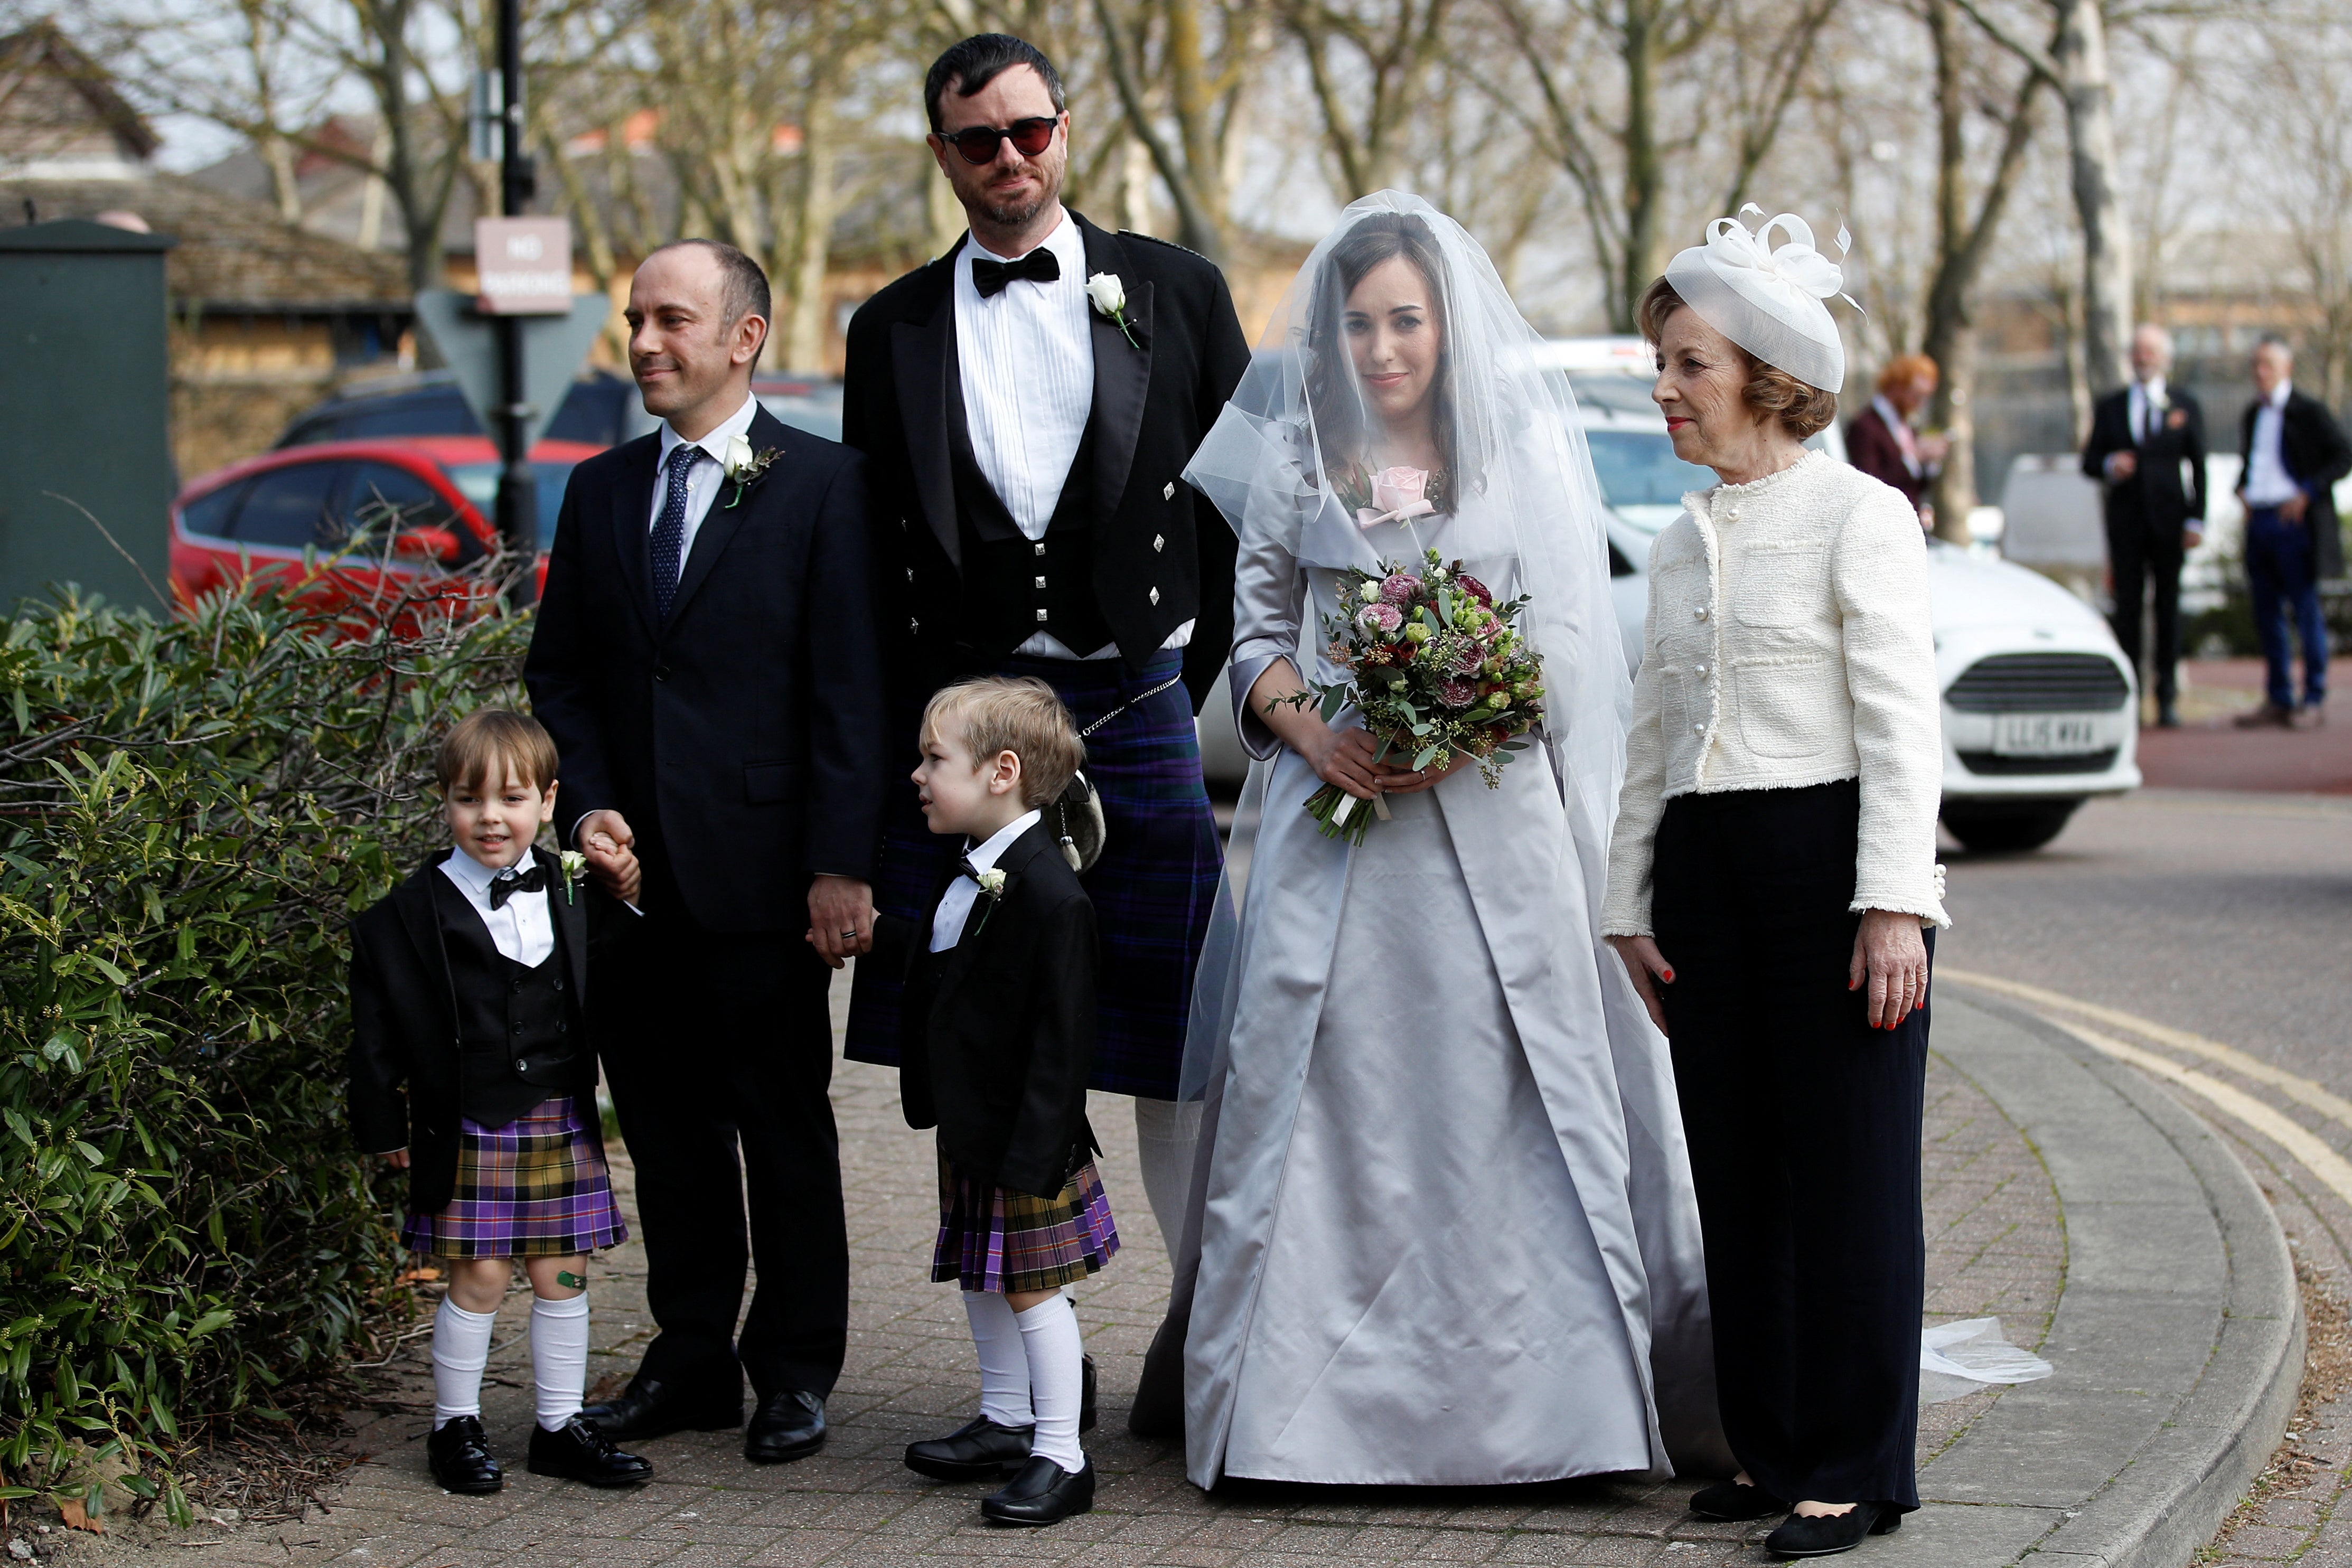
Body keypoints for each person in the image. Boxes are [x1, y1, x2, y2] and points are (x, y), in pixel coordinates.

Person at [1168, 191, 1723, 1490]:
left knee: (1504, 1097)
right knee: (1331, 1102)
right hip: (1342, 830)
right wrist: (1311, 732)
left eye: (1405, 318)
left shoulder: (1517, 455)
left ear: (1445, 325)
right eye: (1357, 322)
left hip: (1493, 826)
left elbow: (1577, 641)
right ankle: (1299, 1420)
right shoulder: (1301, 463)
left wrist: (1483, 708)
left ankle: (1560, 1412)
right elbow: (1250, 638)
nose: (1381, 348)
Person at [840, 34, 1251, 1267]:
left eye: (1031, 130)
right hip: (972, 730)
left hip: (1134, 703)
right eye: (979, 139)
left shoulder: (1177, 291)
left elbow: (1244, 518)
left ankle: (1197, 1346)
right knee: (981, 1033)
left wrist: (1180, 683)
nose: (1009, 157)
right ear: (942, 156)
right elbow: (876, 553)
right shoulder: (890, 326)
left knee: (1180, 1042)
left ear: (1066, 129)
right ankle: (1027, 1379)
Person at [1605, 208, 1950, 1559]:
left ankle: (1859, 1465)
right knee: (1739, 1176)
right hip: (1705, 877)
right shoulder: (1684, 537)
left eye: (1688, 363)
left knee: (1852, 1177)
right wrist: (1627, 905)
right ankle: (1772, 1446)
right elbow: (1652, 730)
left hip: (1833, 867)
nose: (1666, 388)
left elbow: (1901, 725)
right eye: (1665, 363)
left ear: (1761, 372)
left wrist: (1894, 901)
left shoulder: (1862, 513)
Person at [523, 239, 889, 1464]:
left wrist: (842, 863)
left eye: (671, 319)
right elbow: (563, 674)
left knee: (780, 1122)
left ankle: (792, 1367)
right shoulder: (600, 488)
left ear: (744, 338)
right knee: (669, 1131)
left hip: (767, 872)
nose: (642, 342)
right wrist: (591, 811)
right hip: (632, 882)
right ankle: (689, 1360)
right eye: (634, 319)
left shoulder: (826, 485)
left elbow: (851, 690)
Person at [346, 709, 653, 1494]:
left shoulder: (571, 889)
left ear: (548, 803)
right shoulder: (407, 914)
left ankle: (558, 1426)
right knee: (477, 1277)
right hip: (471, 1116)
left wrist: (626, 892)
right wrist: (385, 1123)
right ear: (444, 804)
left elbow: (619, 968)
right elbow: (375, 1031)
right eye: (468, 799)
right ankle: (454, 1425)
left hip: (557, 1110)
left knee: (564, 1275)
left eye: (512, 799)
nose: (491, 817)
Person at [870, 678, 1116, 1527]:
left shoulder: (1051, 896)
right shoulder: (980, 873)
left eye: (935, 759)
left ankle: (1061, 1454)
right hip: (977, 1124)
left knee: (1030, 1290)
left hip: (1026, 1136)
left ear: (1001, 772)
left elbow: (1063, 1041)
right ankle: (1007, 1419)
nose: (918, 774)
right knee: (983, 1277)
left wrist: (1037, 1151)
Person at [2082, 324, 2207, 728]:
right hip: (2127, 526)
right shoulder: (2112, 406)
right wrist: (2109, 465)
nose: (2143, 358)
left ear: (2164, 357)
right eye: (2137, 351)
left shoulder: (2184, 405)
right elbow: (2088, 461)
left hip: (2170, 525)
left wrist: (2196, 518)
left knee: (2169, 610)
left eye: (2150, 351)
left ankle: (2167, 696)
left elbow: (2198, 467)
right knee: (2128, 611)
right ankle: (2130, 698)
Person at [2234, 337, 2349, 729]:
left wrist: (2307, 492)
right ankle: (2278, 696)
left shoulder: (2309, 411)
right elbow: (2252, 462)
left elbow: (2342, 455)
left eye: (2266, 364)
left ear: (2286, 367)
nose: (2258, 372)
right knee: (2266, 612)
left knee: (2304, 609)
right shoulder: (2253, 414)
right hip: (2260, 520)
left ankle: (2313, 697)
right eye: (2254, 364)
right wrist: (2241, 489)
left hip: (2293, 523)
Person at [1845, 354, 1948, 525]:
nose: (1919, 404)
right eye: (1916, 396)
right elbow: (1870, 481)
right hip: (1882, 523)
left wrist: (1929, 462)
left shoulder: (1906, 426)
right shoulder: (1865, 426)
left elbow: (1914, 485)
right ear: (1898, 387)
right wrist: (1915, 457)